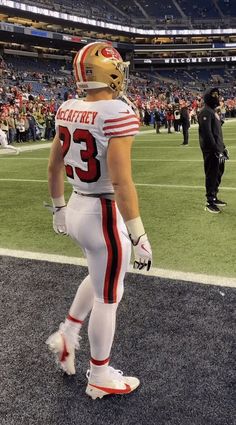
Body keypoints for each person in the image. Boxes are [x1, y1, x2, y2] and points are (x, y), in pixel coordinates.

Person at [46, 42, 152, 400]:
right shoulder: (115, 112)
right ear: (104, 72)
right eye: (116, 67)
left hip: (76, 206)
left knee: (97, 274)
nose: (121, 72)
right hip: (103, 214)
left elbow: (54, 165)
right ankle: (100, 375)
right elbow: (122, 182)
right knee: (110, 296)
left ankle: (68, 334)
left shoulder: (66, 108)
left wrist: (59, 207)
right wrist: (138, 234)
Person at [198, 87, 229, 214]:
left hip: (217, 149)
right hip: (211, 150)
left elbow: (217, 133)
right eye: (213, 95)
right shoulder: (206, 111)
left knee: (218, 173)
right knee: (211, 174)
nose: (216, 97)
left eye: (217, 95)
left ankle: (214, 196)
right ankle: (209, 201)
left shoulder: (212, 111)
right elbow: (208, 134)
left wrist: (223, 148)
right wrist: (217, 150)